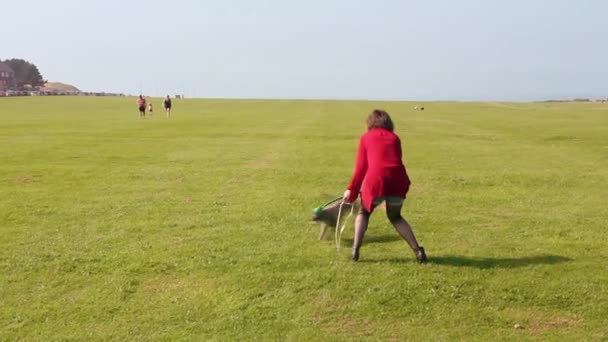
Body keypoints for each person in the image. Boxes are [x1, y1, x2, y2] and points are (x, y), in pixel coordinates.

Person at [343, 109, 427, 263]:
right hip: (397, 180)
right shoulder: (395, 138)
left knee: (364, 213)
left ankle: (355, 250)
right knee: (395, 216)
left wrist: (352, 190)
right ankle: (418, 251)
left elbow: (361, 168)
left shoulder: (366, 138)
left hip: (376, 181)